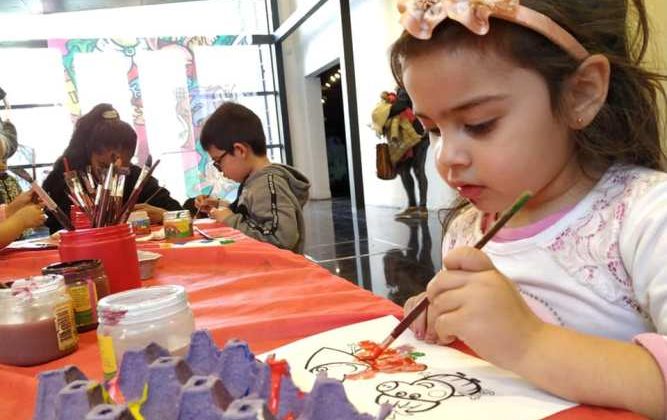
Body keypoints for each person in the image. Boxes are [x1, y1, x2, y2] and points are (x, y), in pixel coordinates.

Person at [394, 0, 667, 418]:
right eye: (431, 129)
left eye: (480, 123)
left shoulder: (646, 216)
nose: (446, 157)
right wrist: (443, 312)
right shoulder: (467, 229)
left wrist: (529, 343)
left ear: (581, 94)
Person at [42, 104, 182, 232]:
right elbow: (56, 229)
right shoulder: (66, 182)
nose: (113, 177)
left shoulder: (135, 178)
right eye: (104, 167)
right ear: (89, 155)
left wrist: (163, 215)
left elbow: (180, 213)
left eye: (123, 169)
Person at [195, 102, 310, 253]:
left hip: (278, 271)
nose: (220, 171)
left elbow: (280, 238)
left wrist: (228, 219)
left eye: (218, 162)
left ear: (240, 150)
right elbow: (249, 215)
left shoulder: (269, 183)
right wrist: (218, 205)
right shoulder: (253, 181)